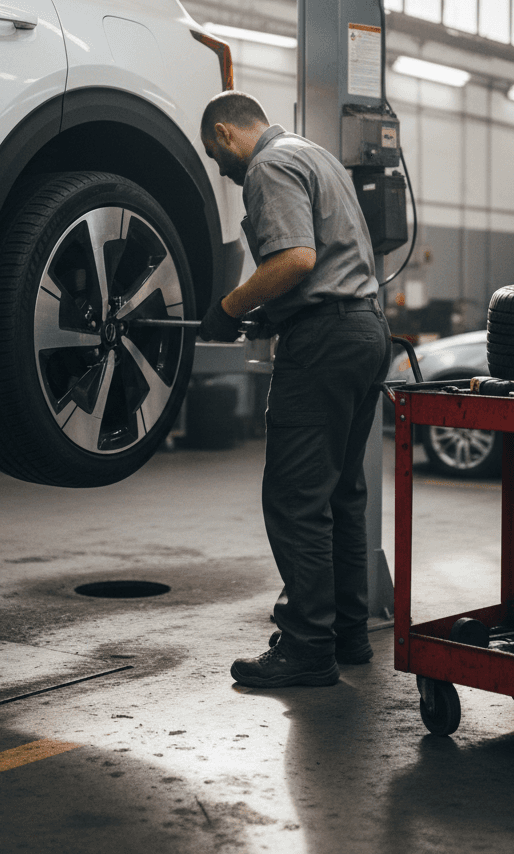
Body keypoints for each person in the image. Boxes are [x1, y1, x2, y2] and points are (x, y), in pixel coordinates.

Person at [197, 90, 392, 688]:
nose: (221, 168)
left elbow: (297, 259)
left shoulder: (268, 165)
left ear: (229, 133)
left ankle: (308, 646)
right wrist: (271, 312)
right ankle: (347, 634)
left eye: (215, 153)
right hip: (364, 332)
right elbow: (322, 261)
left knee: (294, 498)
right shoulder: (315, 155)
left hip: (324, 343)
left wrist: (229, 308)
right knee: (340, 494)